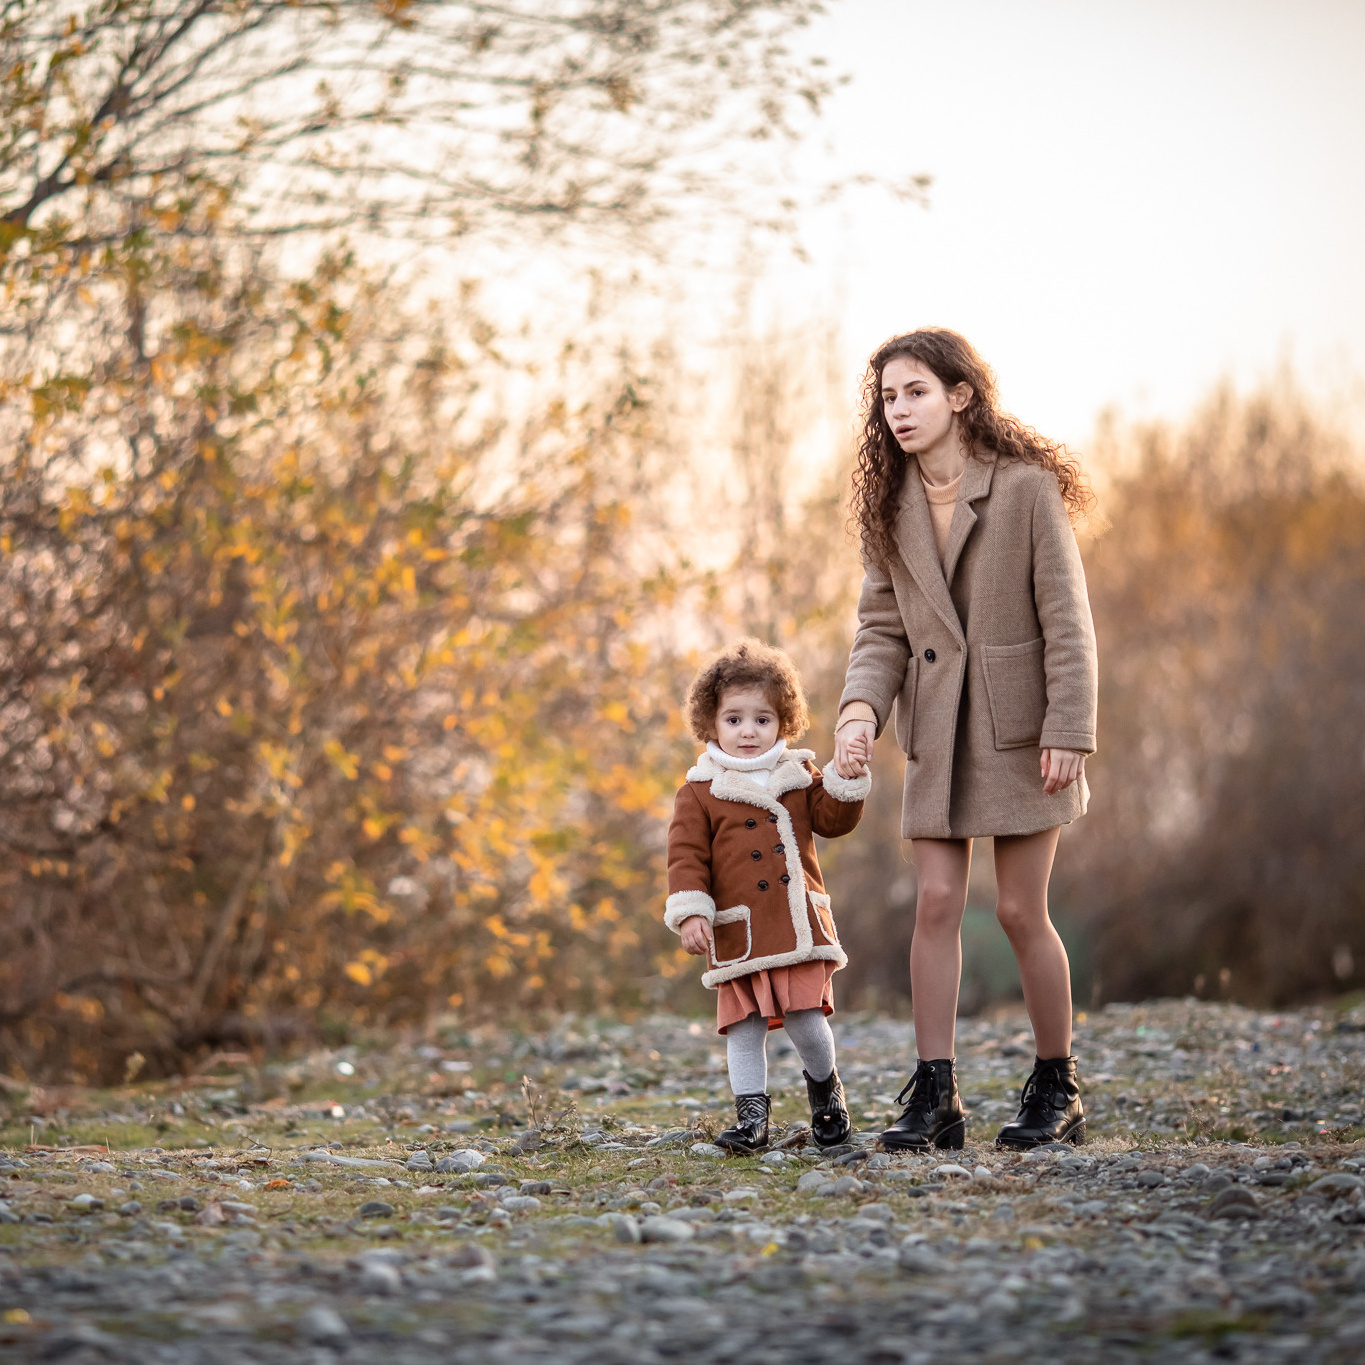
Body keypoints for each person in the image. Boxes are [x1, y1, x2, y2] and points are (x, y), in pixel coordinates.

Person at [832, 328, 1098, 1151]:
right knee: (937, 902)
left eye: (915, 391)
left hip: (1023, 732)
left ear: (960, 396)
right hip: (937, 732)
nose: (899, 409)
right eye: (887, 396)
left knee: (1020, 910)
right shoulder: (889, 507)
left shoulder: (1023, 489)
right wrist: (856, 713)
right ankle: (935, 1093)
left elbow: (1067, 618)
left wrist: (1069, 727)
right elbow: (880, 629)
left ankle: (1057, 1083)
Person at [666, 639, 871, 1153]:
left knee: (805, 1019)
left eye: (762, 719)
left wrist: (845, 775)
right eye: (734, 720)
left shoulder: (799, 775)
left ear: (784, 723)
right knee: (744, 1026)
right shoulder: (700, 790)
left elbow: (833, 819)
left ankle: (827, 1092)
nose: (748, 731)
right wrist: (692, 910)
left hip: (796, 921)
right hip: (740, 930)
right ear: (711, 725)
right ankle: (751, 1115)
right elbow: (686, 857)